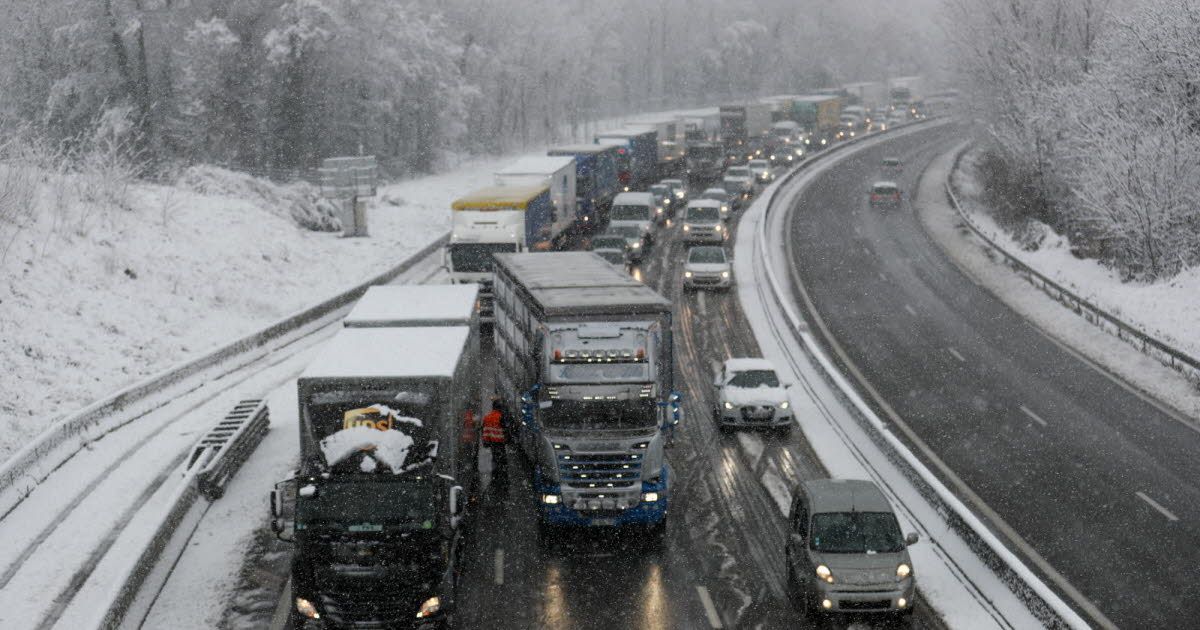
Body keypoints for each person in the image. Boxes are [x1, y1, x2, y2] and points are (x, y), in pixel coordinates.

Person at [482, 397, 507, 481]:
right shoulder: (501, 417)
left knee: (495, 459)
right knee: (502, 460)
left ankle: (495, 476)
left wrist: (486, 442)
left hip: (492, 443)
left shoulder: (487, 417)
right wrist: (508, 440)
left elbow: (484, 430)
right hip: (500, 443)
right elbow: (505, 430)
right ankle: (502, 478)